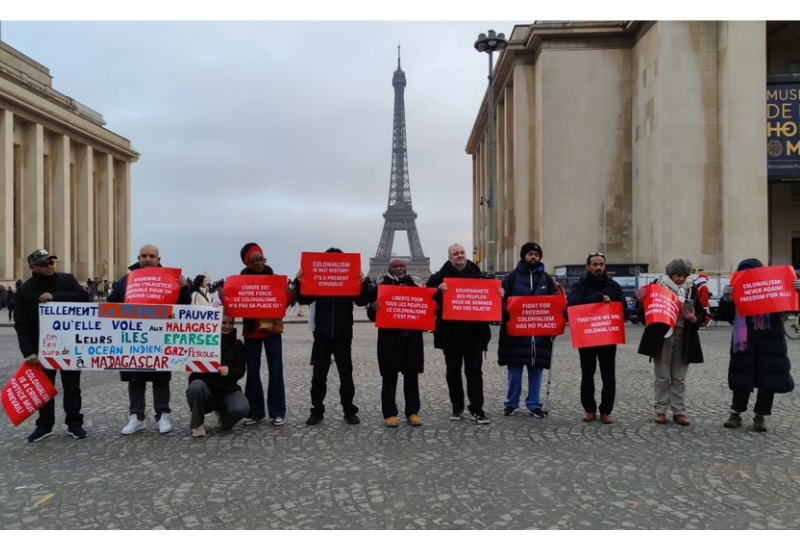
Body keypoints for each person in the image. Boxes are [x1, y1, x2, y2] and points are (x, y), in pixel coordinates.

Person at [107, 244, 190, 435]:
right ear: (138, 258)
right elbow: (111, 303)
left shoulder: (172, 279)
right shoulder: (126, 280)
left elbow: (184, 306)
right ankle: (136, 416)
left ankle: (162, 415)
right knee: (135, 378)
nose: (147, 259)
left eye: (152, 256)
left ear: (158, 259)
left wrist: (184, 288)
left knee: (161, 377)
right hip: (133, 338)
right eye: (144, 256)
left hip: (160, 336)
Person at [14, 249, 90, 442]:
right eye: (44, 264)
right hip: (42, 350)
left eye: (51, 262)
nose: (49, 266)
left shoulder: (67, 280)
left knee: (72, 388)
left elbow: (83, 298)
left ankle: (74, 423)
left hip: (69, 345)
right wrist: (28, 352)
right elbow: (21, 323)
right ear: (32, 267)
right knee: (44, 388)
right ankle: (44, 425)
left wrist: (55, 296)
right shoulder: (25, 290)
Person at [717, 258, 798, 432]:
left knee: (768, 378)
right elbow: (723, 315)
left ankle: (761, 415)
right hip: (744, 341)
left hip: (771, 341)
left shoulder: (772, 289)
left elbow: (793, 306)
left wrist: (797, 291)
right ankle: (736, 412)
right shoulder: (736, 290)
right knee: (741, 376)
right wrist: (727, 298)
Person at [426, 243, 503, 424]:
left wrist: (500, 294)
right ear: (449, 257)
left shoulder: (480, 276)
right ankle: (457, 405)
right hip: (450, 333)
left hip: (474, 334)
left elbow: (491, 300)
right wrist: (438, 292)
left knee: (474, 372)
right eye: (455, 253)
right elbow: (426, 298)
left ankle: (477, 408)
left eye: (462, 252)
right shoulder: (437, 278)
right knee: (453, 371)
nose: (460, 256)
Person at [295, 247, 370, 426]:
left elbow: (361, 300)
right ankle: (317, 409)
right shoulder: (318, 282)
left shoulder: (350, 281)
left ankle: (348, 409)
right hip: (321, 335)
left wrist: (363, 282)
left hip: (343, 334)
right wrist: (300, 281)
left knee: (346, 376)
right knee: (319, 376)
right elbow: (303, 299)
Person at [222, 243, 289, 427]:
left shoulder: (273, 279)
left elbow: (284, 303)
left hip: (271, 331)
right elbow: (232, 305)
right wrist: (222, 299)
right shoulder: (240, 282)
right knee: (252, 372)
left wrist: (290, 295)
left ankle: (277, 411)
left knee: (276, 371)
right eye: (255, 260)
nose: (260, 262)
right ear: (248, 262)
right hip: (252, 332)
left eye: (261, 258)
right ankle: (255, 410)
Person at [636, 258, 705, 426]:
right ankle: (660, 410)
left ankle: (679, 411)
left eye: (684, 275)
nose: (680, 278)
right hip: (662, 338)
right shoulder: (657, 286)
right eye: (677, 275)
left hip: (684, 337)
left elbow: (701, 314)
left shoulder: (691, 290)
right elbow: (642, 315)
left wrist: (694, 318)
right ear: (670, 273)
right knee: (662, 376)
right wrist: (640, 301)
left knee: (679, 378)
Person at [498, 242, 559, 418]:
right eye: (530, 254)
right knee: (514, 372)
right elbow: (502, 301)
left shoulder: (547, 279)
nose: (533, 257)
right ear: (524, 255)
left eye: (536, 254)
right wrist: (507, 314)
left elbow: (555, 304)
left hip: (538, 336)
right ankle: (511, 403)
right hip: (515, 334)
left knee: (536, 371)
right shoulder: (511, 277)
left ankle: (534, 403)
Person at [566, 253, 625, 424]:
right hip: (587, 338)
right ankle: (589, 409)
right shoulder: (580, 286)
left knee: (608, 376)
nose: (598, 267)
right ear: (588, 267)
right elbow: (572, 307)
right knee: (587, 374)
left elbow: (623, 310)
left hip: (607, 337)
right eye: (595, 264)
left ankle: (606, 411)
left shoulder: (613, 286)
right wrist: (597, 299)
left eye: (601, 264)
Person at [367, 258, 425, 428]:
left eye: (401, 266)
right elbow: (371, 315)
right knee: (389, 376)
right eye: (395, 266)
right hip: (390, 341)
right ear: (389, 269)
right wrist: (373, 308)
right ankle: (389, 413)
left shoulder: (415, 287)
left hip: (411, 340)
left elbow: (425, 307)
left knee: (411, 376)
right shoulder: (379, 289)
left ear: (406, 268)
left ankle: (412, 412)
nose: (399, 268)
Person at [186, 313, 249, 437]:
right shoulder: (203, 341)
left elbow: (240, 370)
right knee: (195, 387)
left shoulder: (237, 344)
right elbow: (192, 368)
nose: (227, 326)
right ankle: (198, 424)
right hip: (206, 387)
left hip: (227, 389)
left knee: (242, 408)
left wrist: (229, 371)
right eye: (224, 323)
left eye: (230, 323)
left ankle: (223, 415)